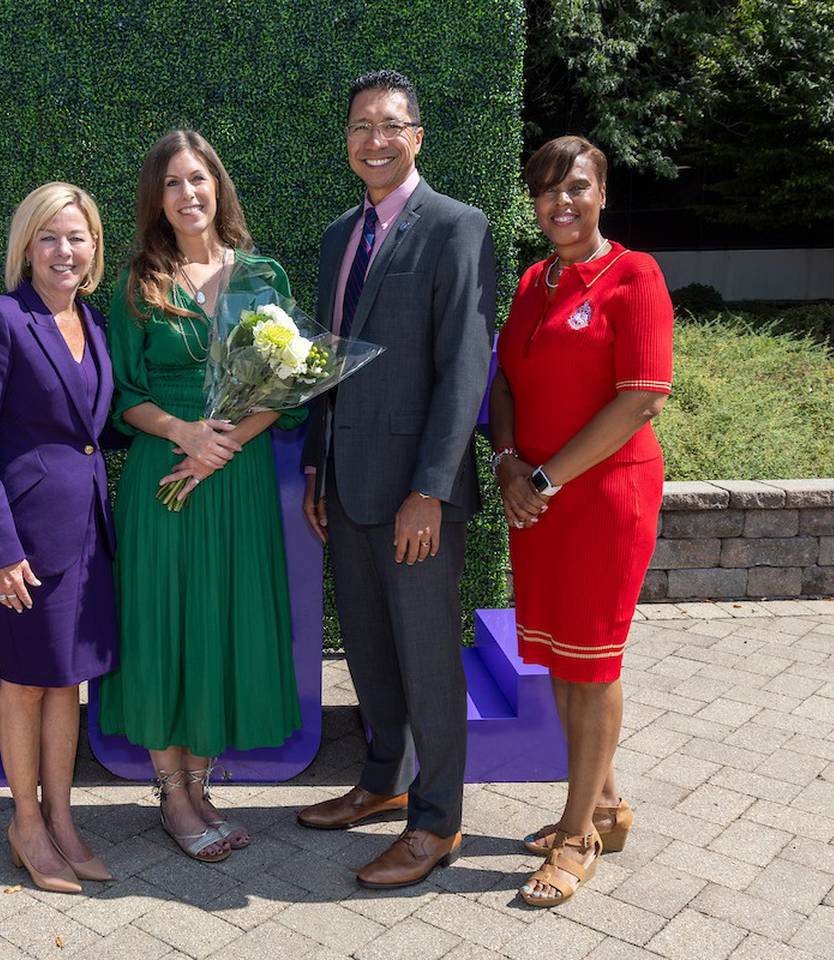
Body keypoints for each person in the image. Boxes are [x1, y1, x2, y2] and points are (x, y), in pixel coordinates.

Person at [296, 70, 496, 890]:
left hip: (417, 494)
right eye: (359, 127)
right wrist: (315, 461)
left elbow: (463, 372)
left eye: (389, 126)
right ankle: (381, 780)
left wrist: (431, 491)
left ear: (417, 135)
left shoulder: (457, 227)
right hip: (344, 484)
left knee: (425, 655)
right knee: (371, 650)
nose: (373, 140)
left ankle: (437, 820)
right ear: (346, 141)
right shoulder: (339, 235)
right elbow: (323, 362)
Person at [96, 129, 303, 863]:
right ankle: (171, 796)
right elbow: (121, 392)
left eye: (199, 179)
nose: (189, 194)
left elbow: (287, 385)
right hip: (165, 476)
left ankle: (202, 783)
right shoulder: (135, 283)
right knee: (162, 624)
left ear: (219, 186)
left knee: (218, 620)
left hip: (235, 478)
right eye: (173, 184)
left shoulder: (262, 276)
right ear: (157, 199)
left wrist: (226, 445)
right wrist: (187, 434)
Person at [492, 135, 672, 906]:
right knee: (562, 659)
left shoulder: (636, 276)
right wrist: (506, 461)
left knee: (592, 666)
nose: (560, 203)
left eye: (576, 188)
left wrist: (544, 476)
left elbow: (641, 398)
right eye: (545, 190)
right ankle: (603, 803)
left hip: (603, 500)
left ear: (602, 193)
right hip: (536, 498)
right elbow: (503, 377)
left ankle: (576, 838)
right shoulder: (537, 279)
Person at [0, 182, 118, 894]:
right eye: (49, 237)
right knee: (25, 684)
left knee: (66, 685)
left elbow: (94, 432)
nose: (64, 250)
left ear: (94, 249)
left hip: (87, 535)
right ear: (26, 246)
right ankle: (26, 824)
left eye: (76, 237)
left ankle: (63, 818)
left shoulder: (94, 319)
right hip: (23, 540)